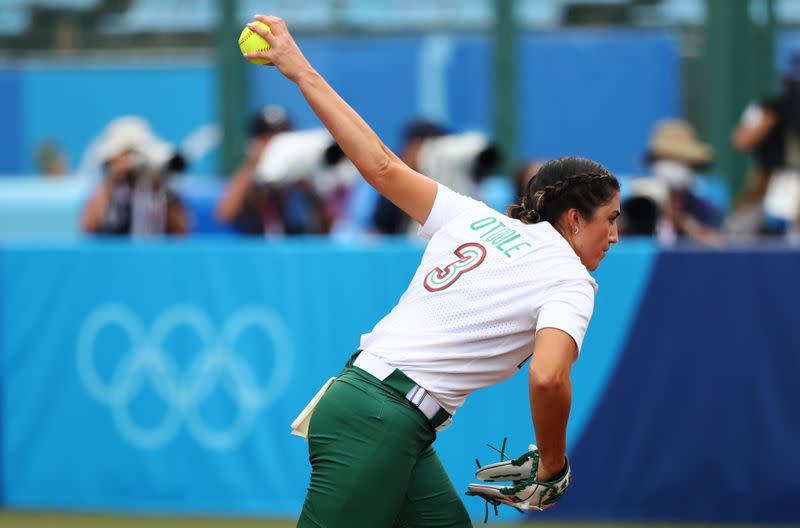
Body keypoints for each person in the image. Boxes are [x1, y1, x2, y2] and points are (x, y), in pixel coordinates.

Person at [244, 15, 620, 527]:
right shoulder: (570, 278)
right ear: (575, 219)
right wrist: (553, 464)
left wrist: (300, 69)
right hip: (382, 419)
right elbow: (548, 376)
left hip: (377, 407)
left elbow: (380, 166)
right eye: (611, 219)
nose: (616, 234)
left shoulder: (477, 218)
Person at [215, 105, 330, 235]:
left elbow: (326, 228)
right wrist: (252, 165)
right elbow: (225, 214)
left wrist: (307, 186)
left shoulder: (301, 179)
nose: (275, 147)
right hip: (256, 249)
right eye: (268, 139)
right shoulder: (250, 178)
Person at [81, 116, 188, 236]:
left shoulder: (159, 189)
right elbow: (88, 228)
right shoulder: (108, 189)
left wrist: (159, 186)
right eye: (127, 153)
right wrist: (112, 179)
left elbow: (181, 233)